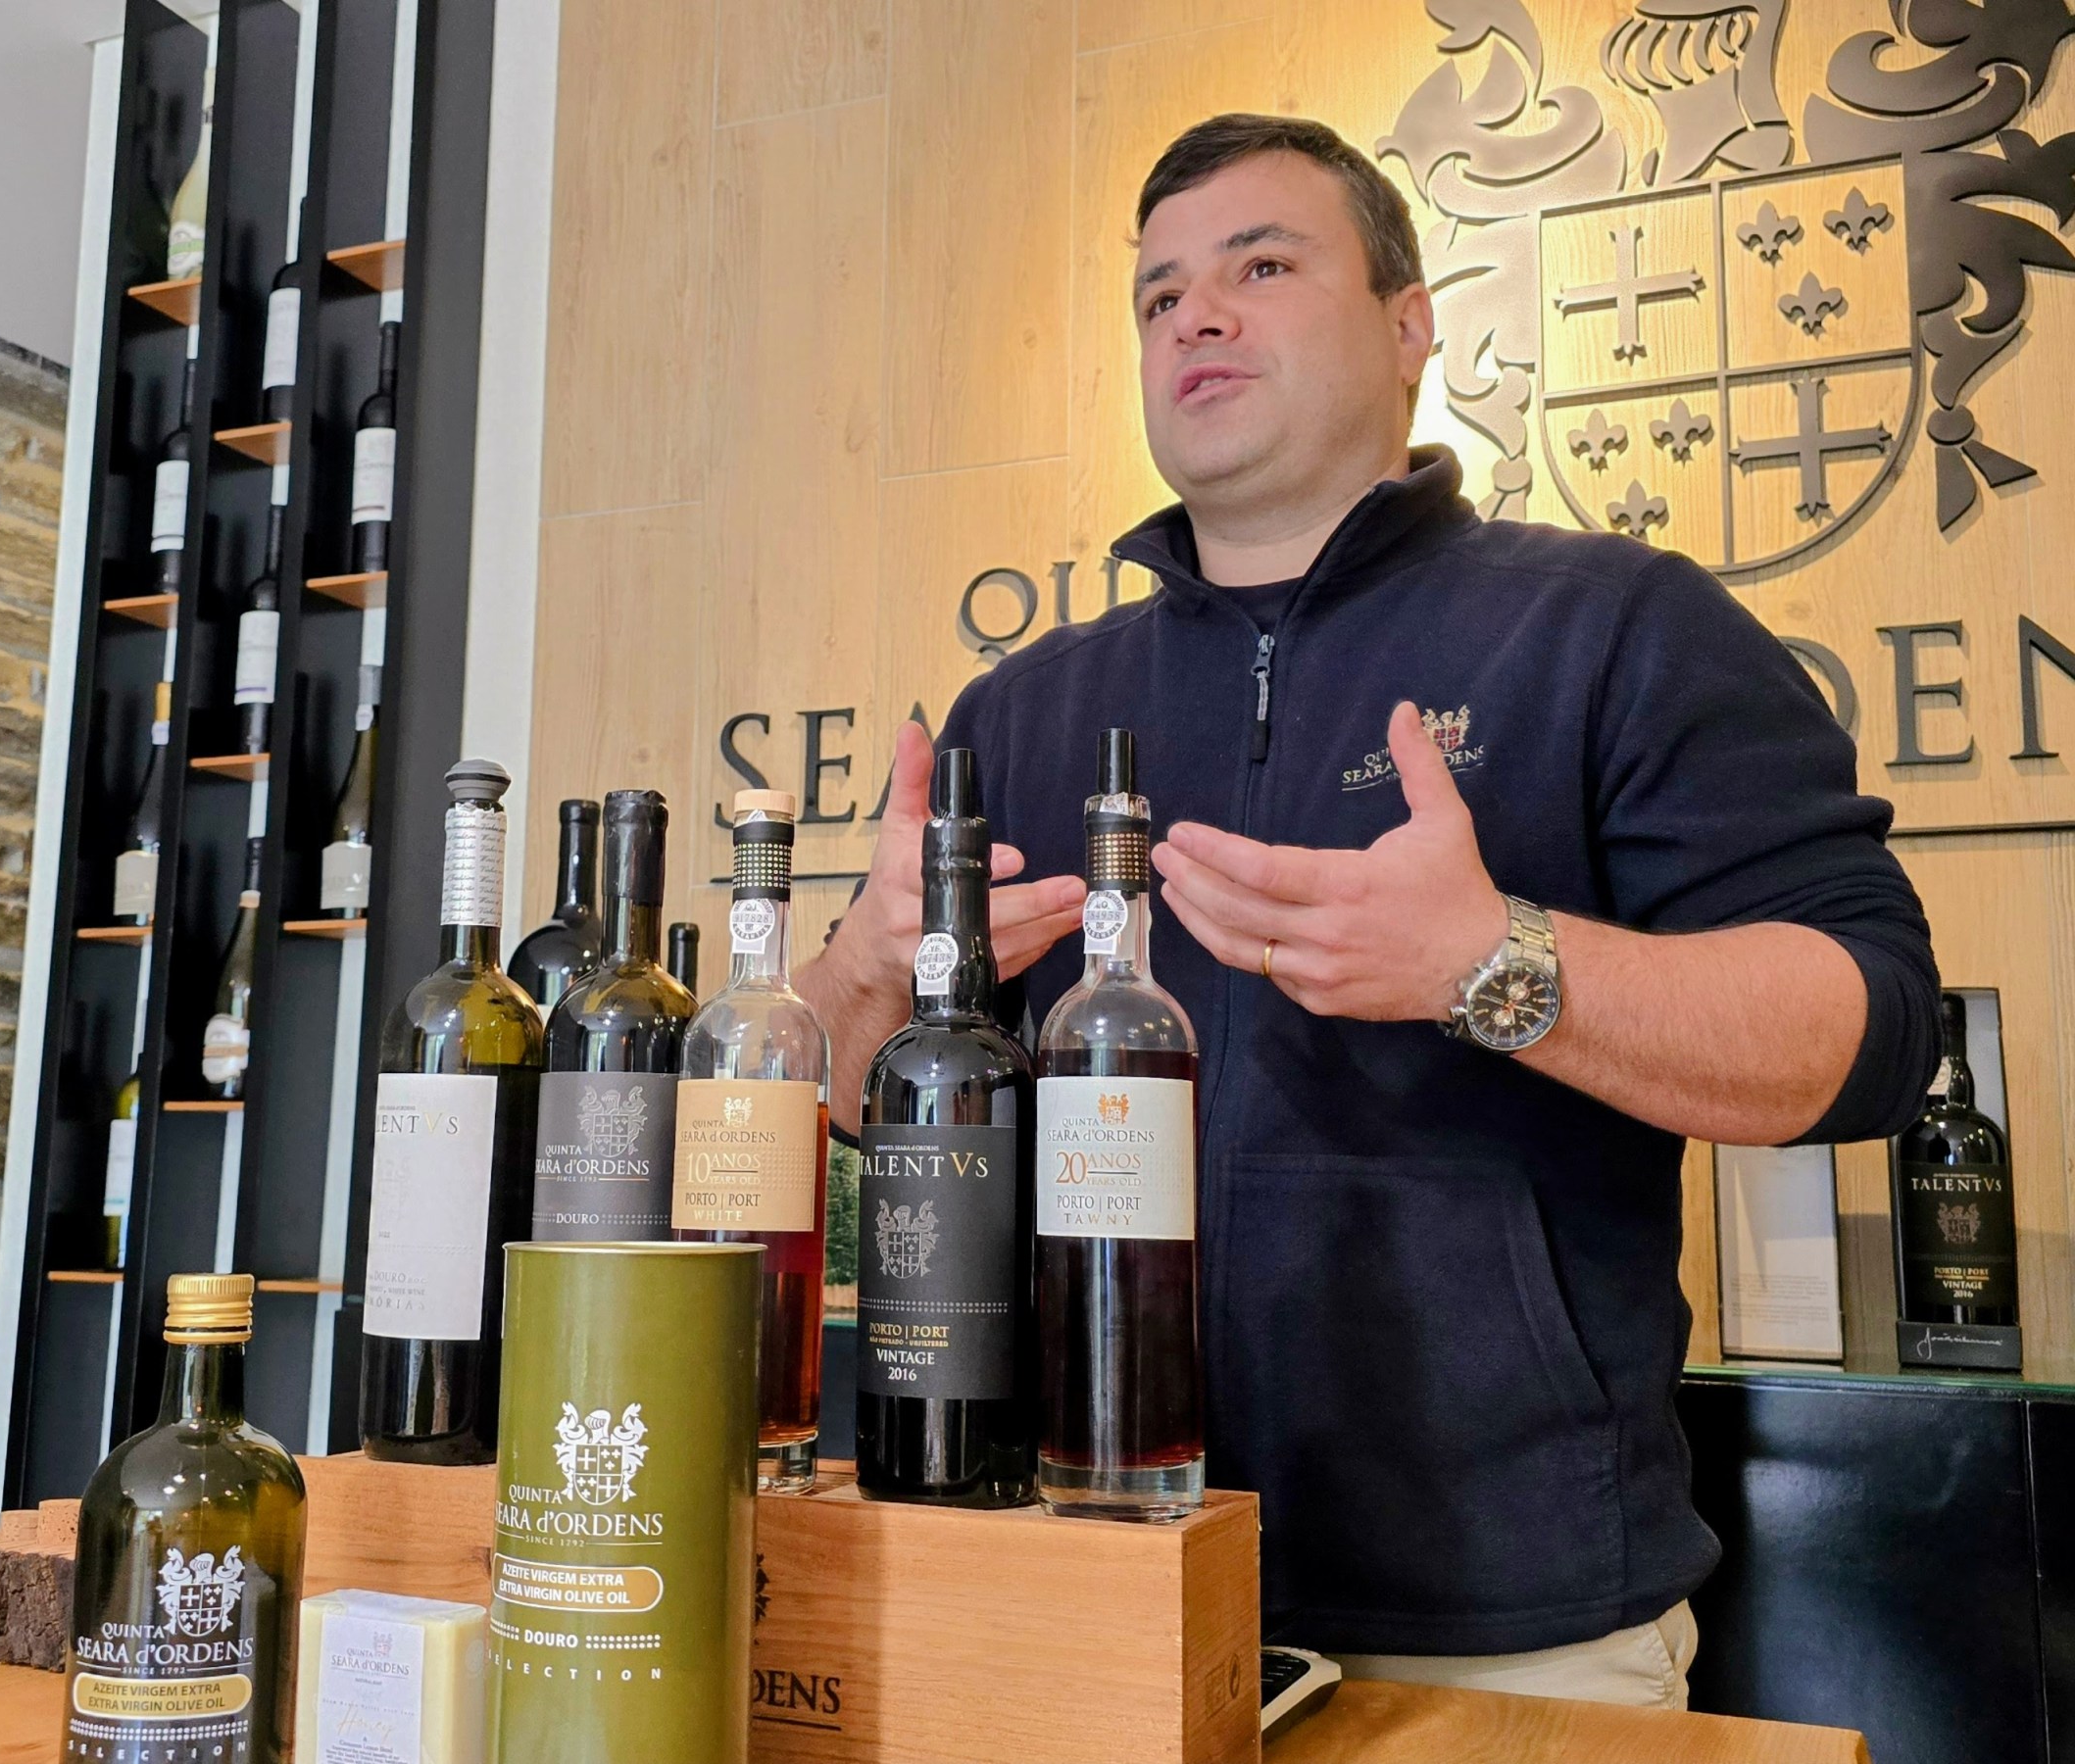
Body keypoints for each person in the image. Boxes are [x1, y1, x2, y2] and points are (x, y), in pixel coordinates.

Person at [794, 114, 1938, 1708]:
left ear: (1412, 327)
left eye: (1261, 265)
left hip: (1506, 1628)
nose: (1196, 314)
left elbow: (1869, 1033)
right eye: (1159, 294)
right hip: (1072, 1573)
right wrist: (859, 978)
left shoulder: (1613, 630)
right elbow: (864, 1114)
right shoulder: (1026, 712)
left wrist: (1493, 968)